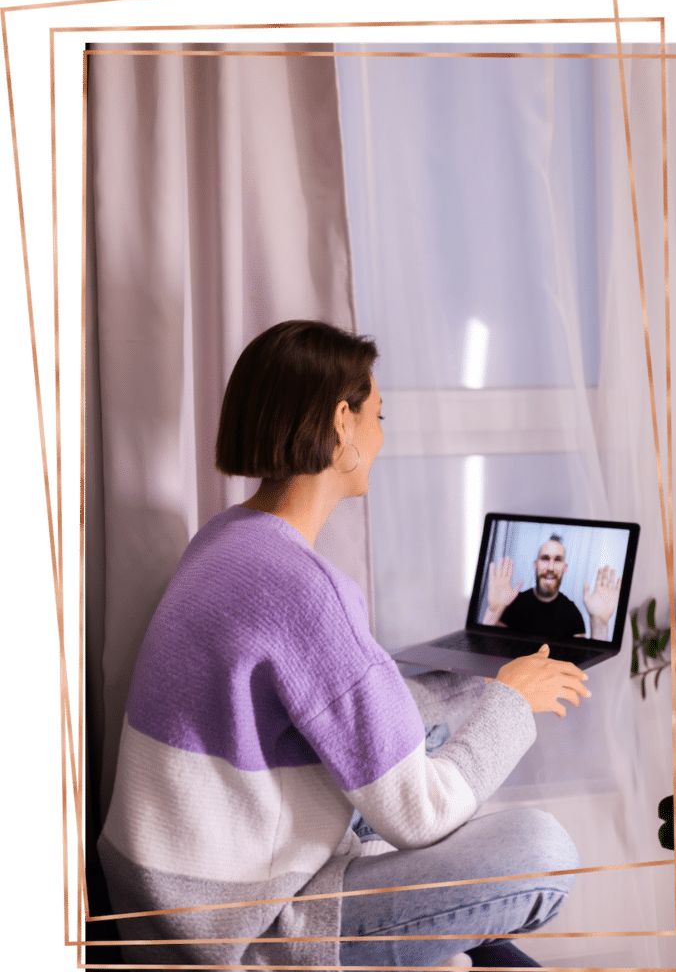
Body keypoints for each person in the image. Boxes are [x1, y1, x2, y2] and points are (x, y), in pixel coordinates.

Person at [97, 320, 589, 971]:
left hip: (173, 896)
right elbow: (418, 814)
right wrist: (511, 704)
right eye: (377, 415)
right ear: (341, 423)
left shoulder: (224, 539)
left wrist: (476, 686)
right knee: (541, 849)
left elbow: (334, 703)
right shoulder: (306, 589)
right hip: (242, 926)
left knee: (438, 730)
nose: (382, 436)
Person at [482, 535, 622, 642]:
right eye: (545, 558)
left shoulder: (573, 615)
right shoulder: (512, 604)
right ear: (535, 565)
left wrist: (600, 623)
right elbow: (488, 647)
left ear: (564, 568)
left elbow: (581, 668)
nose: (550, 567)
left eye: (557, 560)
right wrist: (494, 610)